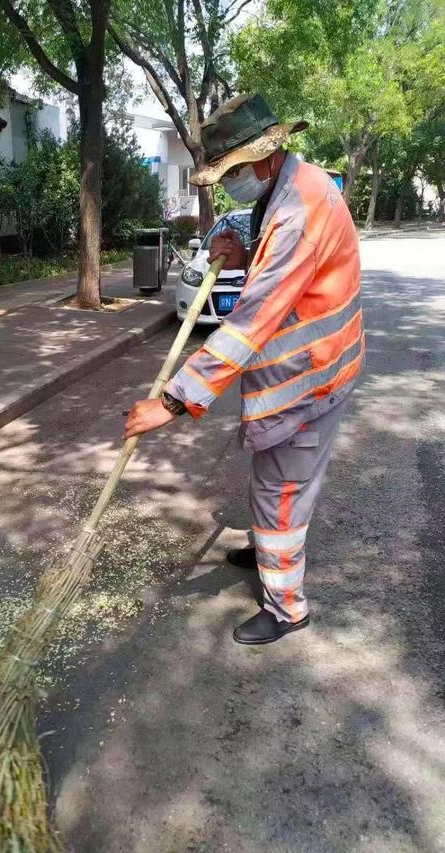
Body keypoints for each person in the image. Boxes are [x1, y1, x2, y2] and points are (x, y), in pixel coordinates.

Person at [125, 94, 364, 645]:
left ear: (265, 156)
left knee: (282, 493)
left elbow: (250, 321)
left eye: (232, 171)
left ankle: (287, 607)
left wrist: (172, 402)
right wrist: (244, 256)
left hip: (312, 378)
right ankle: (265, 552)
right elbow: (285, 270)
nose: (229, 182)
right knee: (270, 478)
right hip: (307, 368)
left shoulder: (300, 210)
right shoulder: (288, 189)